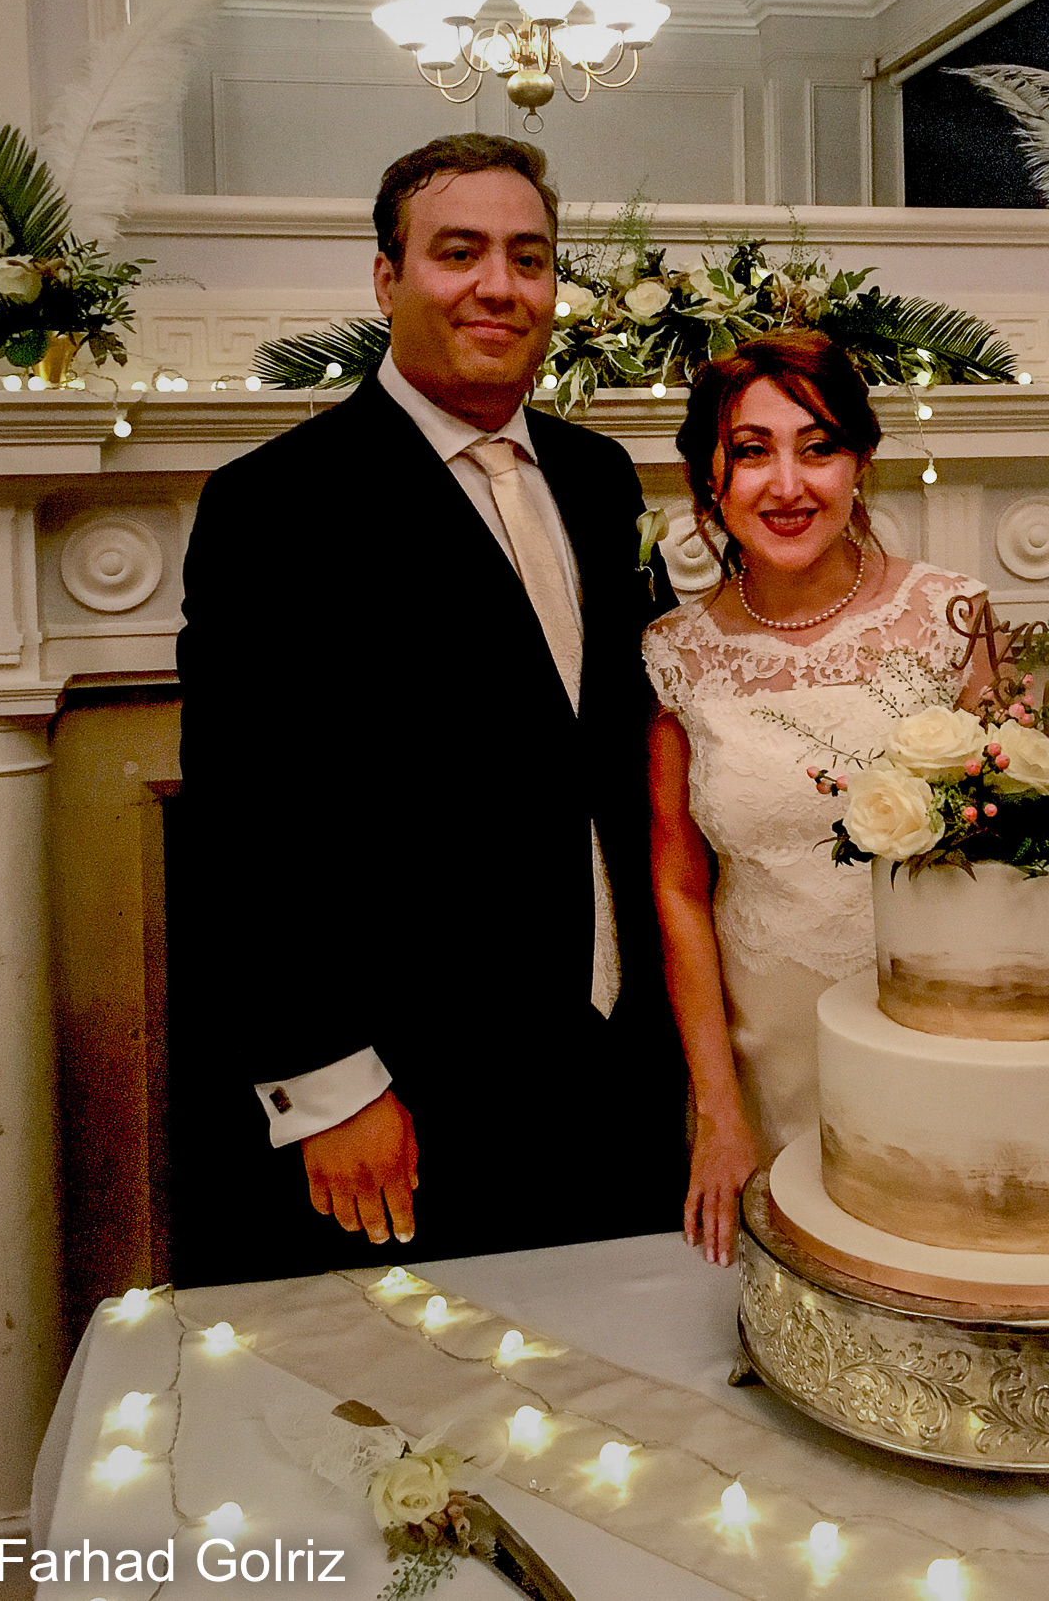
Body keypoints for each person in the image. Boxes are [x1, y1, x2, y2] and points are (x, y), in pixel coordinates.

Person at [174, 131, 685, 1282]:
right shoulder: (274, 506)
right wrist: (329, 1084)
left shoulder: (601, 478)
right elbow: (245, 822)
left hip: (617, 1077)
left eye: (529, 258)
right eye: (459, 253)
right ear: (386, 277)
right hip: (410, 1098)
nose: (500, 286)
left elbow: (617, 755)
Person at [643, 333, 992, 1266]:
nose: (787, 485)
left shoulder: (951, 617)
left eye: (818, 446)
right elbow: (677, 889)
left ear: (860, 462)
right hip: (767, 1058)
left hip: (937, 1036)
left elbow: (1011, 855)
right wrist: (719, 1109)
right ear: (708, 478)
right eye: (751, 451)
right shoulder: (674, 655)